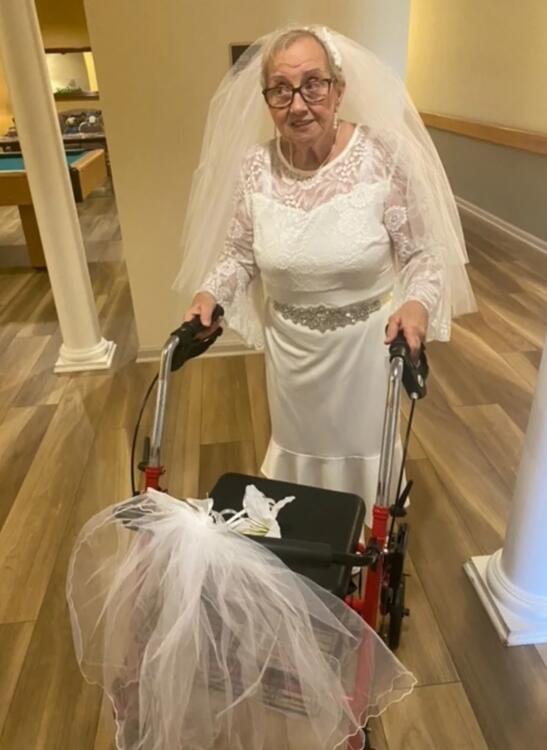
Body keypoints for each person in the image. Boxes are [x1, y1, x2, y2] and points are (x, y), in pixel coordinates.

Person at [176, 25, 475, 524]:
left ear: (339, 90)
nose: (298, 104)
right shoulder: (256, 166)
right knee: (298, 468)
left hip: (365, 351)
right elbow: (238, 255)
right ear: (267, 100)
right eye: (281, 90)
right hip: (290, 355)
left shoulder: (383, 156)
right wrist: (210, 293)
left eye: (313, 85)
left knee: (363, 459)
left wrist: (416, 302)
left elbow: (423, 254)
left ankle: (367, 537)